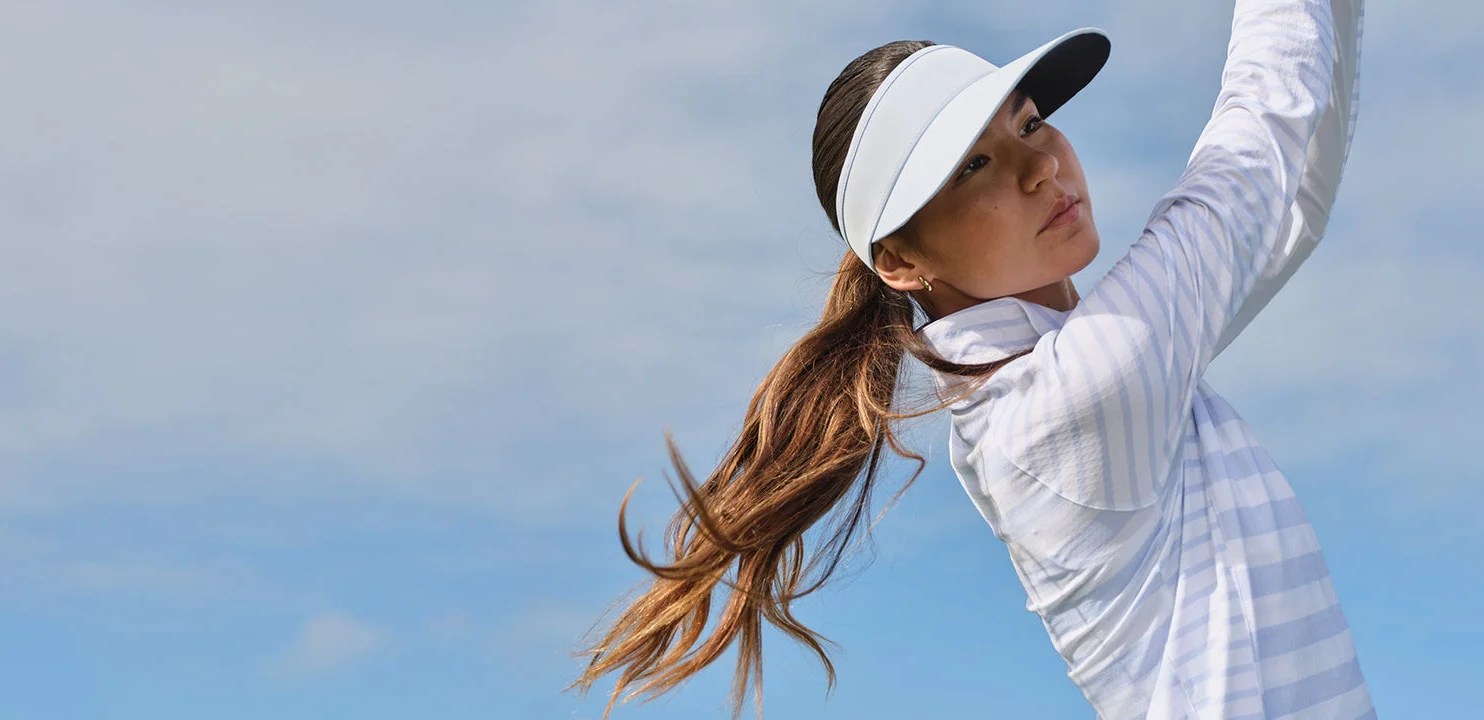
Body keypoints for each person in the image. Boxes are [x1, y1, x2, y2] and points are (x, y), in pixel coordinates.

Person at [569, 0, 1369, 717]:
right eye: (973, 167)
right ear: (900, 263)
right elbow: (1256, 149)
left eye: (1028, 125)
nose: (1041, 168)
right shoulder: (1073, 397)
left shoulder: (1082, 377)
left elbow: (1290, 200)